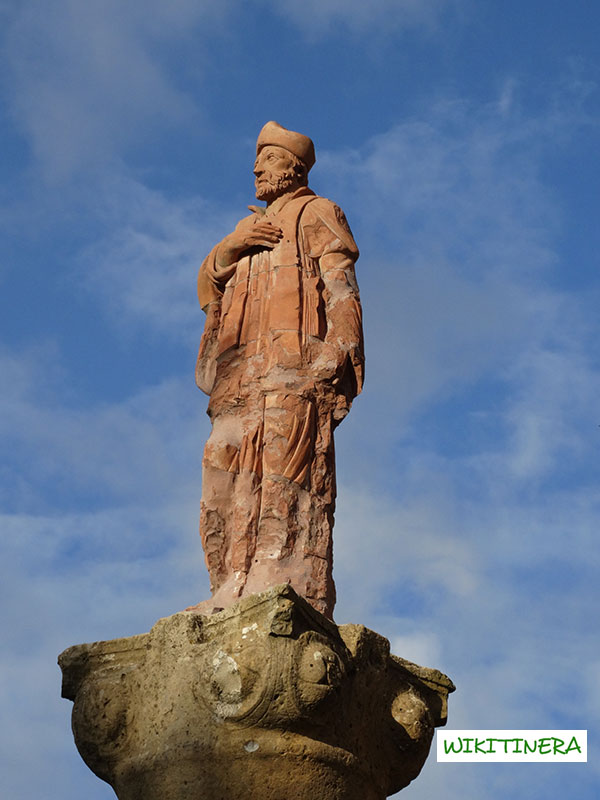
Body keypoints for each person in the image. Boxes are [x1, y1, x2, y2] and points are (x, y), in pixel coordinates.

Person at [193, 121, 363, 619]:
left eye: (268, 158)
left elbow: (341, 287)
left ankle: (280, 576)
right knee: (222, 470)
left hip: (292, 367)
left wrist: (338, 350)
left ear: (294, 167)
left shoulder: (318, 212)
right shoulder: (245, 230)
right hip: (238, 375)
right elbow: (209, 284)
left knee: (283, 473)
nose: (256, 168)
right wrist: (233, 245)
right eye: (258, 158)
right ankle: (228, 584)